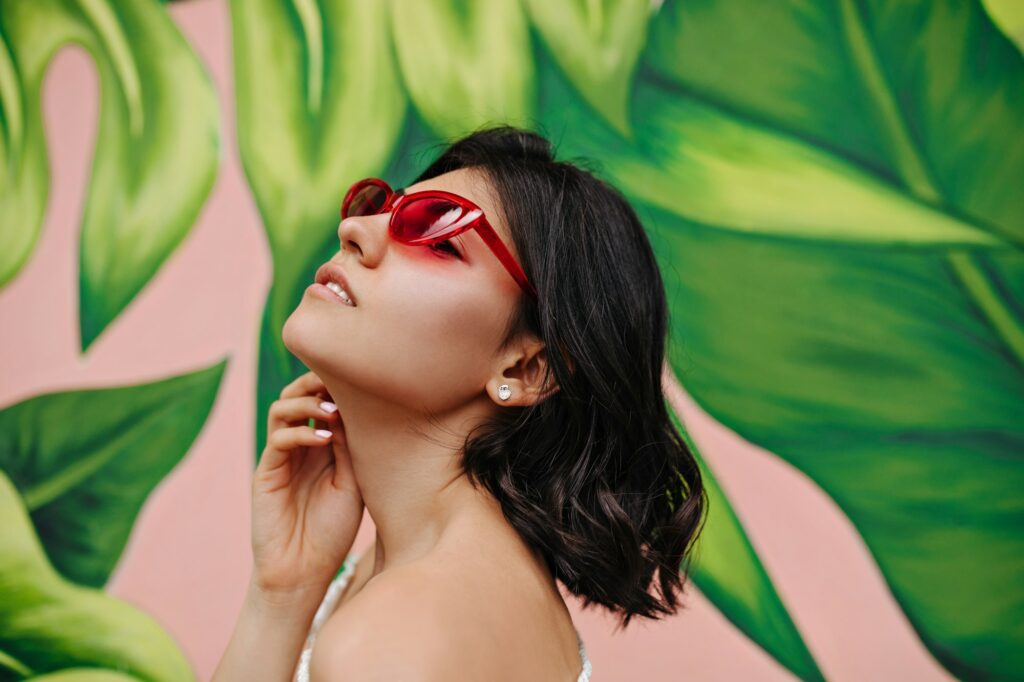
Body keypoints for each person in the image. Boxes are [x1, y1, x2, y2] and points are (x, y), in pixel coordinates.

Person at [213, 125, 707, 681]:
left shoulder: (401, 633)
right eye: (383, 208)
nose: (353, 229)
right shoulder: (438, 586)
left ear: (526, 368)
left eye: (438, 237)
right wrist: (282, 593)